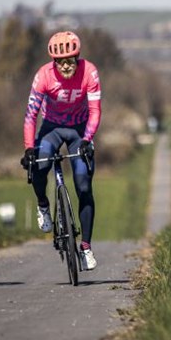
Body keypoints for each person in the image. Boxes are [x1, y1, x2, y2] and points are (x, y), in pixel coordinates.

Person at [21, 31, 102, 271]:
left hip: (79, 130)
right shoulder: (43, 76)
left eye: (70, 60)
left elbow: (95, 110)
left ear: (78, 58)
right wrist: (28, 149)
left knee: (83, 183)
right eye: (60, 61)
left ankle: (85, 247)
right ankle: (43, 205)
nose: (66, 65)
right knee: (40, 165)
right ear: (53, 62)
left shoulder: (90, 72)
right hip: (51, 128)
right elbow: (30, 116)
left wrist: (88, 139)